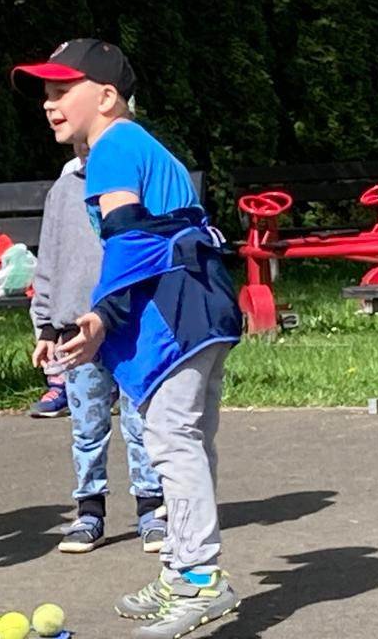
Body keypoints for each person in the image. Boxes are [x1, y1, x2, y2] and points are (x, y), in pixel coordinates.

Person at [13, 39, 243, 639]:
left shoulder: (113, 147)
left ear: (108, 97)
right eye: (45, 92)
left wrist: (100, 316)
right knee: (185, 440)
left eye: (63, 90)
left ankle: (198, 579)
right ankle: (181, 569)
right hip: (201, 304)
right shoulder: (137, 145)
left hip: (178, 312)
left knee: (172, 439)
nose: (49, 102)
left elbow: (130, 240)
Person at [31, 143, 166, 554]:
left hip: (130, 322)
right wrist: (45, 325)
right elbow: (49, 257)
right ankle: (89, 509)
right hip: (76, 323)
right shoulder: (64, 190)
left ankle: (151, 508)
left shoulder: (138, 176)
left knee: (139, 421)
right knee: (87, 425)